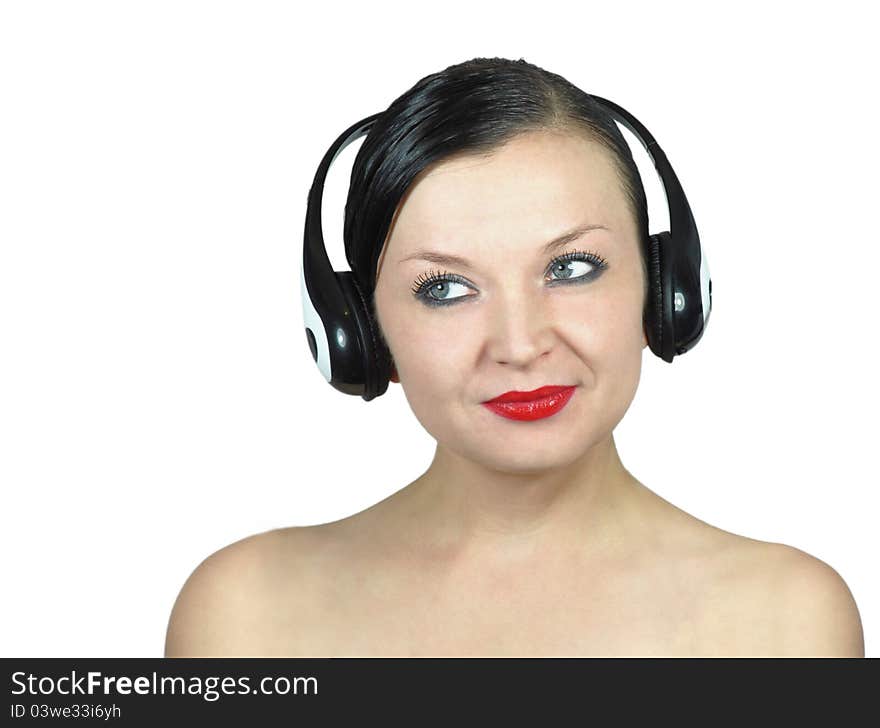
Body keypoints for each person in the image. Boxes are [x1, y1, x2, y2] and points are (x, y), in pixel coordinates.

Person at [164, 57, 864, 657]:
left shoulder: (786, 621)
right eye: (445, 288)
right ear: (361, 333)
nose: (522, 345)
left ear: (666, 292)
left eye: (573, 268)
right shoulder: (244, 616)